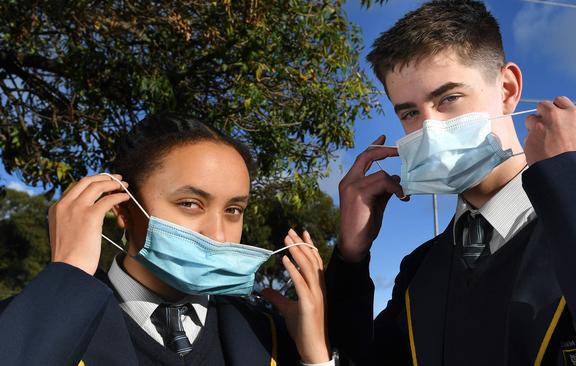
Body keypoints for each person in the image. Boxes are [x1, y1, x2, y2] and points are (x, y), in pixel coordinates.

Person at [325, 1, 576, 365]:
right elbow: (357, 358)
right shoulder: (419, 270)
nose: (429, 129)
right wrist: (351, 258)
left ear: (508, 89)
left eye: (448, 98)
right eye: (411, 113)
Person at [0, 113, 336, 365]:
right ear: (123, 209)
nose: (218, 235)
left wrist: (316, 358)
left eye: (234, 210)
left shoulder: (274, 336)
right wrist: (66, 277)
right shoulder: (22, 321)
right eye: (190, 204)